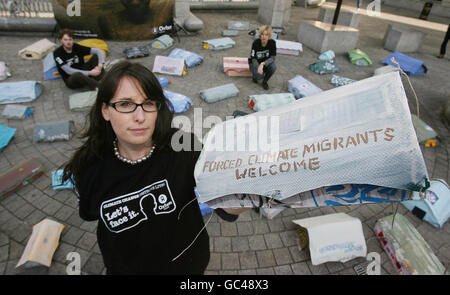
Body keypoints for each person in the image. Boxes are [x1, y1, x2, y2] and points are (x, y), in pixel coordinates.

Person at [62, 61, 248, 275]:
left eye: (148, 103)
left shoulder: (184, 147)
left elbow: (225, 204)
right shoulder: (90, 166)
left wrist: (253, 190)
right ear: (105, 110)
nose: (140, 117)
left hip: (187, 266)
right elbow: (90, 213)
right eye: (125, 104)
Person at [249, 25, 277, 90]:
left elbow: (272, 58)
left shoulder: (272, 43)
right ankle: (255, 77)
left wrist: (262, 64)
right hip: (255, 63)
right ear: (260, 35)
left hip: (265, 63)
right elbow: (253, 58)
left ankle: (264, 82)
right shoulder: (256, 43)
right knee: (259, 76)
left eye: (266, 35)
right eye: (262, 34)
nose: (264, 37)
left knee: (273, 67)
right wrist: (258, 67)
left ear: (269, 36)